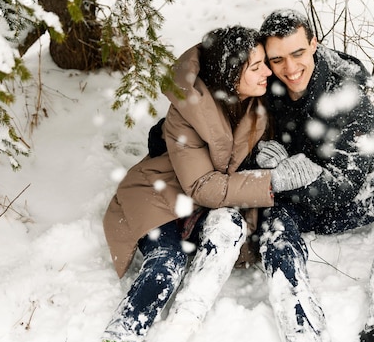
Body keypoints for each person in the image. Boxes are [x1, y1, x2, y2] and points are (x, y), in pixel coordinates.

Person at [101, 25, 322, 342]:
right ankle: (122, 332)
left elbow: (245, 149)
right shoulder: (186, 111)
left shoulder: (259, 99)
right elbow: (203, 185)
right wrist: (272, 179)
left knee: (229, 226)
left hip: (212, 204)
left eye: (263, 63)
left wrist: (268, 154)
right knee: (168, 260)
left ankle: (183, 322)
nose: (267, 73)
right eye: (255, 67)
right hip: (163, 193)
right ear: (231, 76)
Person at [255, 9, 374, 342]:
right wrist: (258, 156)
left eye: (298, 53)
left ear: (314, 44)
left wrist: (295, 174)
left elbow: (343, 186)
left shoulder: (349, 94)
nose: (290, 69)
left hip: (345, 192)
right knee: (271, 226)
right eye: (277, 60)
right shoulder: (260, 85)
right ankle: (302, 328)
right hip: (292, 202)